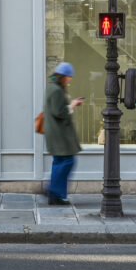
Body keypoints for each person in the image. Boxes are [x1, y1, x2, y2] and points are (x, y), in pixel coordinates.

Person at [43, 62, 83, 205]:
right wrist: (72, 105)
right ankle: (53, 190)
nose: (69, 81)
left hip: (55, 133)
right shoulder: (56, 90)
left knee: (59, 162)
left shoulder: (52, 87)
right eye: (68, 78)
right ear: (63, 77)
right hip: (59, 134)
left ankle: (54, 194)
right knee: (67, 161)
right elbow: (59, 111)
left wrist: (70, 104)